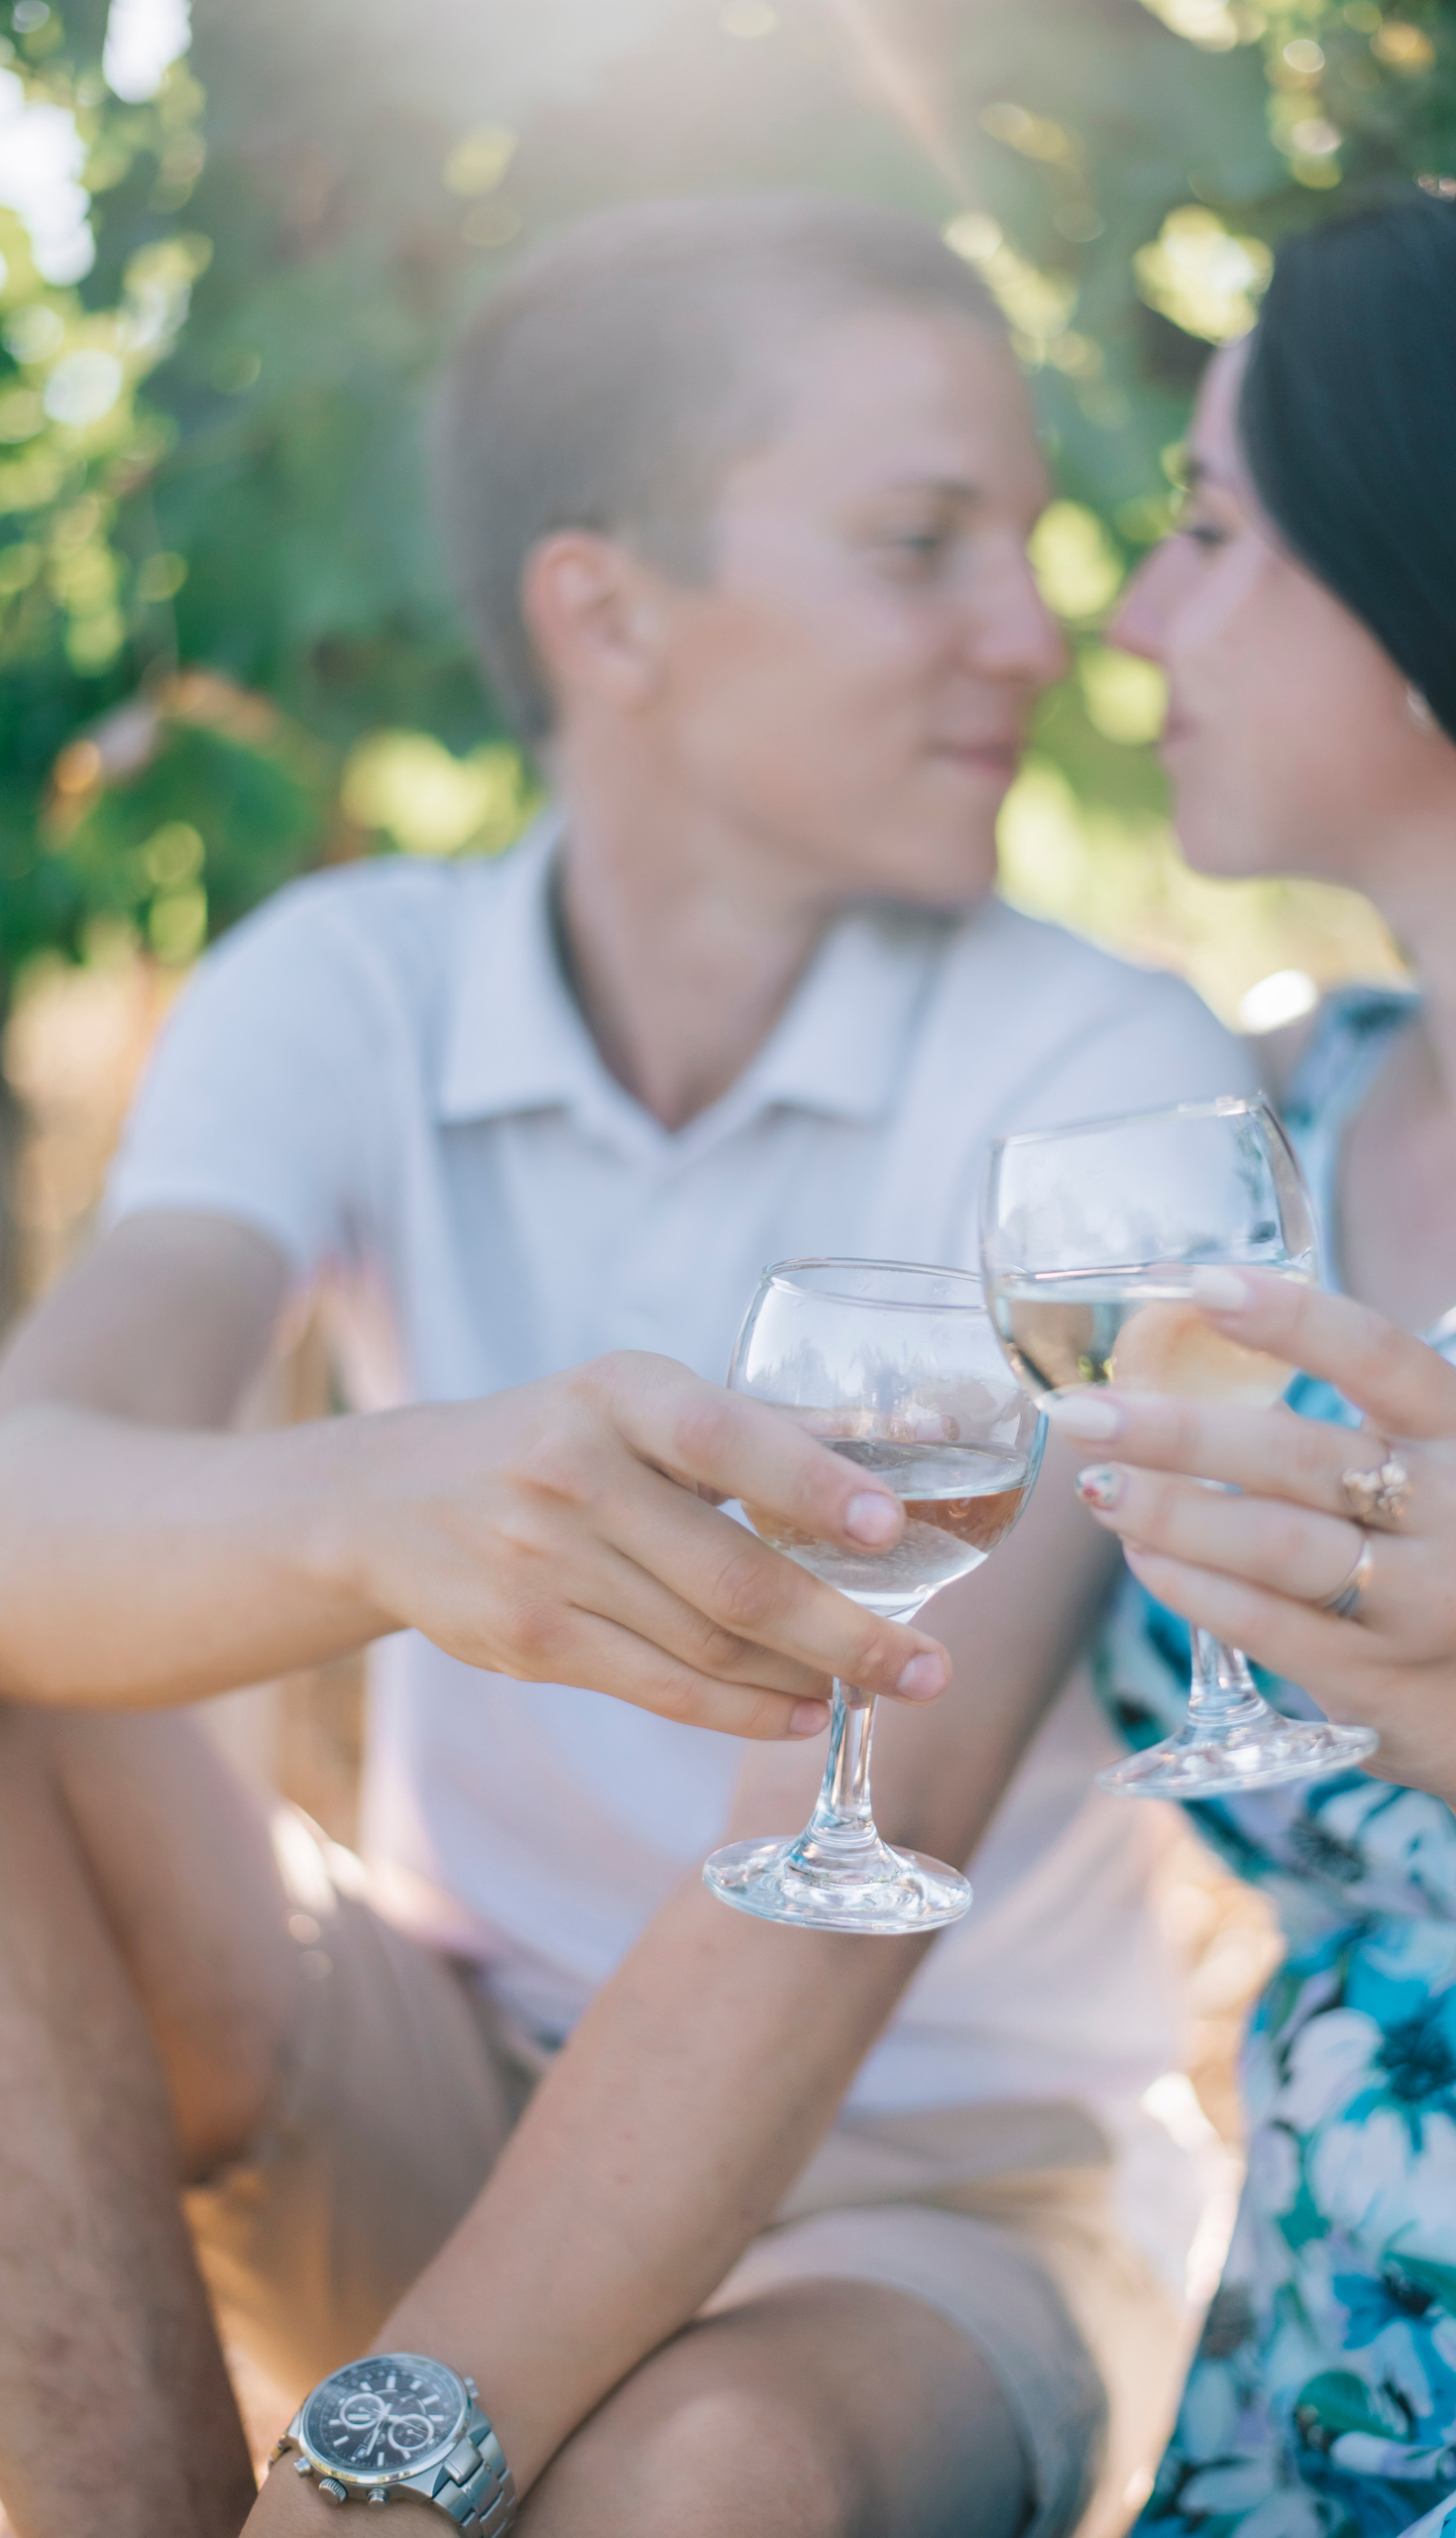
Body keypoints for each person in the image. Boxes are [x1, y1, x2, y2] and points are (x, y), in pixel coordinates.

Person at [0, 196, 1244, 2538]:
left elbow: (841, 1866)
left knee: (703, 2485)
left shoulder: (1098, 1067)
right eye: (920, 544)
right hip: (430, 2076)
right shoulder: (350, 976)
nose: (1032, 629)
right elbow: (27, 1472)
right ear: (608, 607)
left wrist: (384, 2476)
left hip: (937, 2189)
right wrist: (385, 1506)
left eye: (1031, 542)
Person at [1042, 182, 1456, 2536]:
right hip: (1310, 2392)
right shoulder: (1262, 1128)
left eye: (1213, 528)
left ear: (1442, 580)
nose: (1135, 610)